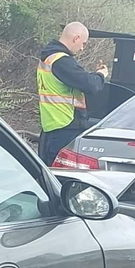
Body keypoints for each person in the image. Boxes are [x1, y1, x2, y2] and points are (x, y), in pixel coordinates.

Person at [36, 21, 108, 164]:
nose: (82, 48)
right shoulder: (61, 61)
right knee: (61, 173)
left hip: (51, 125)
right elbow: (90, 85)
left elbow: (76, 78)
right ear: (76, 38)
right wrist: (101, 75)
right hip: (64, 127)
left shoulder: (49, 57)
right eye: (83, 43)